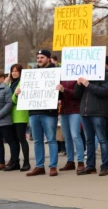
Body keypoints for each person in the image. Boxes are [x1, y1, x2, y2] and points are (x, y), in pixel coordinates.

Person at [25, 49, 59, 177]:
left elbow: (59, 94)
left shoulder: (55, 72)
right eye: (38, 57)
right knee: (38, 141)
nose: (39, 60)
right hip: (34, 112)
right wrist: (21, 93)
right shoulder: (32, 74)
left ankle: (53, 166)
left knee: (51, 139)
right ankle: (39, 166)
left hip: (49, 112)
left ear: (48, 58)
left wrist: (60, 90)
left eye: (42, 57)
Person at [75, 71, 108, 176]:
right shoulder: (85, 75)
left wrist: (88, 84)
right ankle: (90, 166)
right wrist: (78, 85)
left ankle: (105, 166)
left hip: (98, 112)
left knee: (102, 139)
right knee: (89, 140)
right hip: (85, 112)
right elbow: (77, 94)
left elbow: (105, 91)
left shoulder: (106, 75)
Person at [4, 64, 30, 171]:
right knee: (14, 140)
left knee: (21, 139)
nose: (14, 73)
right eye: (12, 71)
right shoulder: (10, 83)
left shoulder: (22, 82)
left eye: (16, 71)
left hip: (20, 115)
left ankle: (26, 162)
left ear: (20, 72)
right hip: (11, 115)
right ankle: (15, 162)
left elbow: (13, 100)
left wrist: (14, 95)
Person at [56, 81, 85, 174]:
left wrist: (64, 90)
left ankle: (80, 161)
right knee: (67, 137)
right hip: (64, 110)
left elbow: (77, 94)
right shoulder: (61, 79)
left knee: (75, 135)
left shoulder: (77, 79)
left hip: (75, 110)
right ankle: (70, 161)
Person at [0, 77, 19, 171]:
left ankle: (15, 162)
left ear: (1, 78)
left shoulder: (6, 89)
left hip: (5, 121)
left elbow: (9, 104)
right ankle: (1, 163)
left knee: (10, 141)